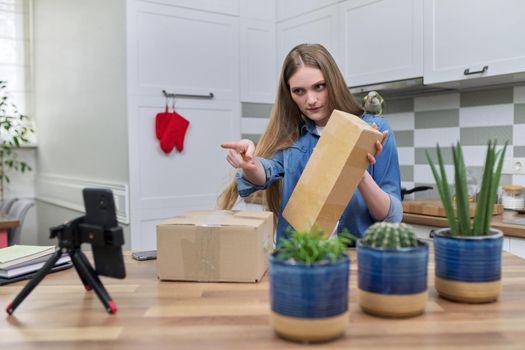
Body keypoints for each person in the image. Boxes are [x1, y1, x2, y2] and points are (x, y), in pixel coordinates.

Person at [219, 43, 402, 244]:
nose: (311, 100)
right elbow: (265, 171)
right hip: (297, 257)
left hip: (351, 259)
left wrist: (357, 173)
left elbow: (391, 217)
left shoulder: (373, 130)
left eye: (319, 86)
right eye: (299, 91)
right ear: (289, 94)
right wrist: (251, 163)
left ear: (334, 82)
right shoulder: (293, 137)